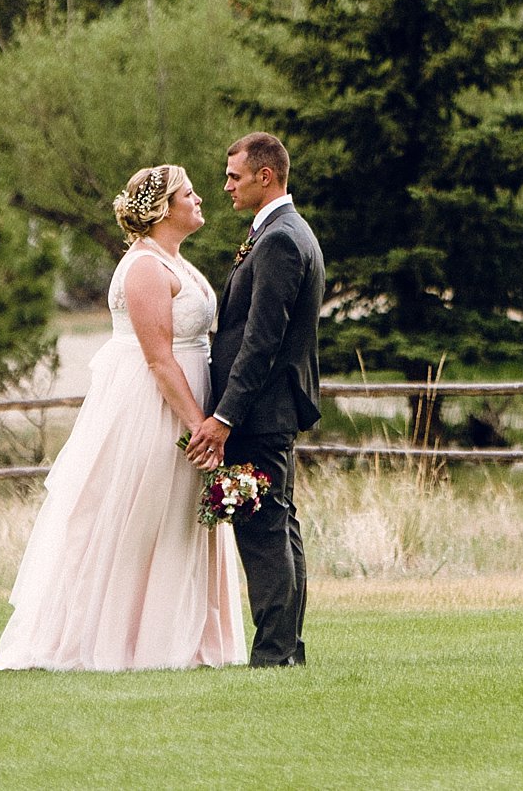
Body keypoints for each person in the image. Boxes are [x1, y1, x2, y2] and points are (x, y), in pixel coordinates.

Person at [0, 163, 246, 671]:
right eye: (189, 194)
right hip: (151, 407)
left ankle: (180, 636)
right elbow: (158, 357)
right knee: (140, 515)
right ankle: (118, 639)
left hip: (186, 396)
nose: (200, 200)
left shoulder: (176, 261)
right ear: (164, 209)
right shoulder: (145, 266)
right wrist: (198, 426)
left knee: (179, 518)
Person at [182, 133, 324, 668]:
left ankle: (274, 654)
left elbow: (260, 340)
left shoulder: (283, 240)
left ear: (266, 176)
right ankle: (285, 650)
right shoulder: (280, 232)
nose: (226, 187)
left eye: (234, 177)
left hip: (261, 411)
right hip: (269, 409)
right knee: (278, 523)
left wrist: (224, 416)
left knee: (264, 529)